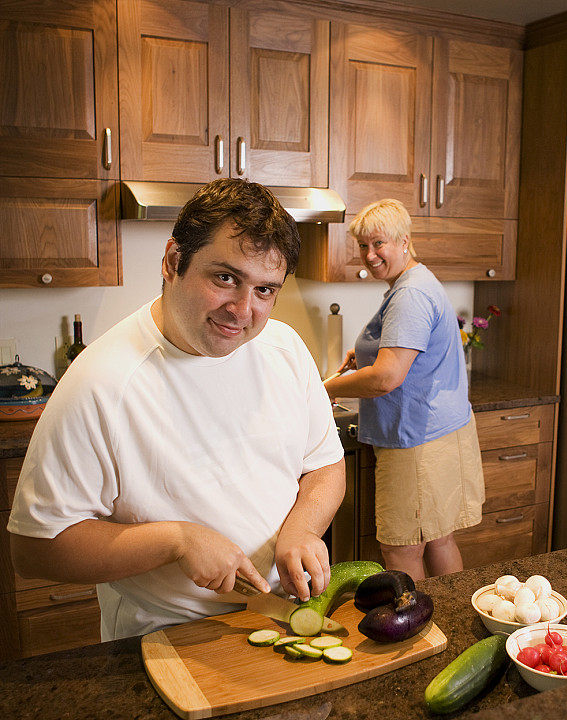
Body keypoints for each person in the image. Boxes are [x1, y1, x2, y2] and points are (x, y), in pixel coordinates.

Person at [8, 179, 345, 640]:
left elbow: (326, 464)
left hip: (281, 619)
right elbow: (35, 547)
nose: (243, 310)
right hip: (167, 639)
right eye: (225, 278)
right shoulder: (103, 382)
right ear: (172, 263)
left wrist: (304, 528)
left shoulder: (283, 348)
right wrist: (176, 541)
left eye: (265, 290)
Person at [323, 199, 484, 581]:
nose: (369, 254)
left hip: (417, 440)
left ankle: (416, 631)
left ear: (404, 241)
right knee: (438, 539)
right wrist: (369, 351)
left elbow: (386, 377)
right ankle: (448, 620)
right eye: (363, 245)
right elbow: (400, 354)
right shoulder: (416, 281)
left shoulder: (410, 295)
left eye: (379, 243)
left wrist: (323, 388)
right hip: (439, 433)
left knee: (401, 546)